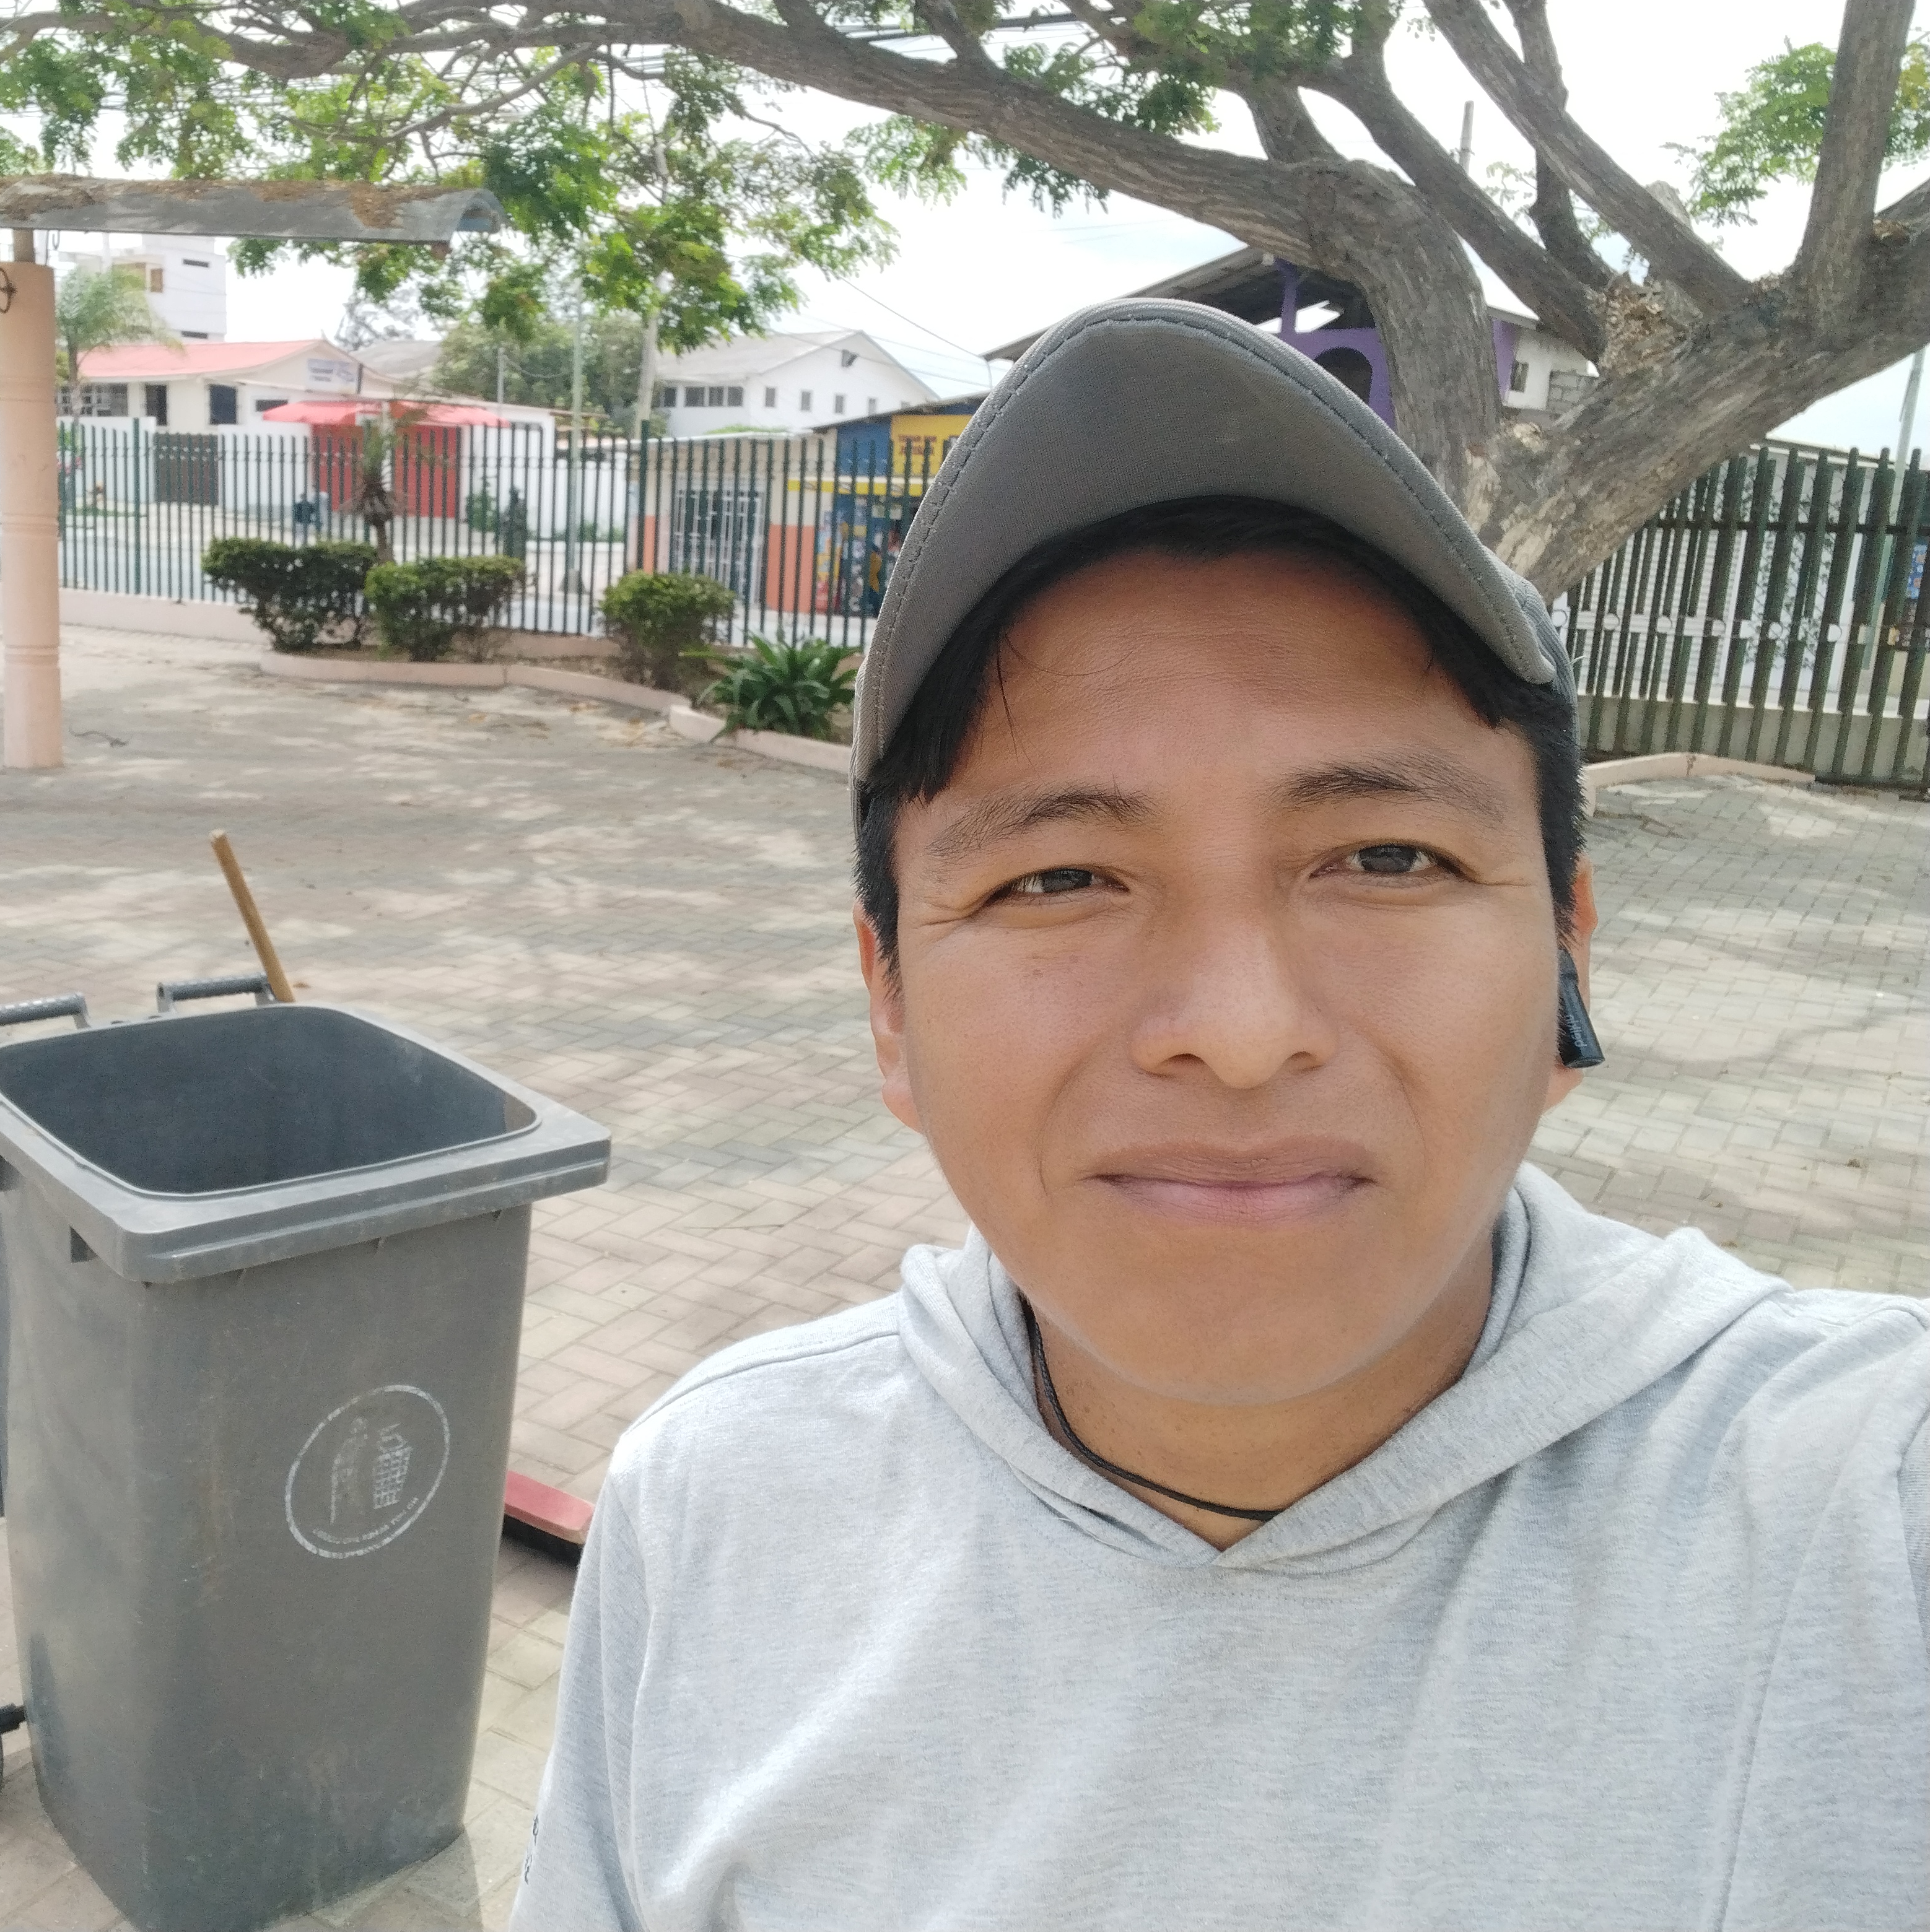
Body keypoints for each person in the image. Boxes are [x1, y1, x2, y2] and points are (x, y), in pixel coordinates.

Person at [510, 301, 1929, 1931]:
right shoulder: (719, 1502)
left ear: (1567, 963)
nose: (1242, 1037)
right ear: (890, 1004)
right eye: (1061, 878)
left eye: (1387, 858)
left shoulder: (1866, 1509)